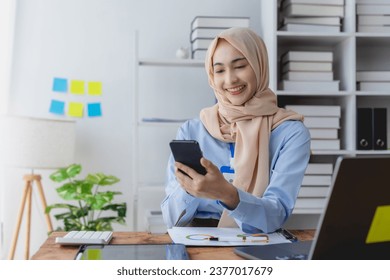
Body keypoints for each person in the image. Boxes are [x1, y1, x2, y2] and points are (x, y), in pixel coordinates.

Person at [161, 27, 311, 234]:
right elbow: (171, 218)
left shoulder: (290, 133)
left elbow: (277, 214)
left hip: (257, 241)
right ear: (212, 76)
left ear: (259, 66)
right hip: (196, 242)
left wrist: (229, 195)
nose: (230, 80)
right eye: (220, 70)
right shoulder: (192, 130)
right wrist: (190, 189)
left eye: (240, 66)